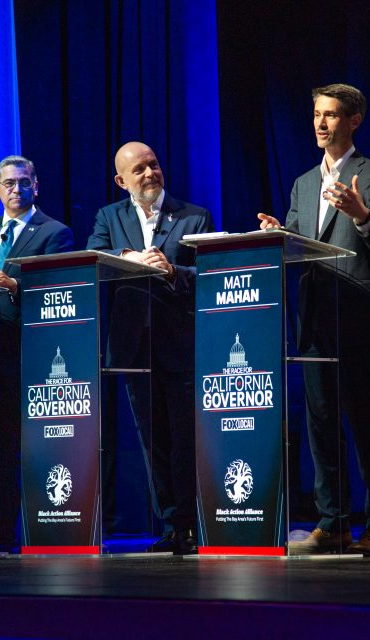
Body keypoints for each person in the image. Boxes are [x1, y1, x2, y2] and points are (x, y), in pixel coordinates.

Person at [258, 83, 370, 556]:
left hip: (355, 315)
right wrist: (279, 234)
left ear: (354, 120)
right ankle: (333, 523)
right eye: (317, 114)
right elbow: (302, 245)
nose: (321, 123)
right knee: (320, 422)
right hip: (314, 320)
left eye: (332, 115)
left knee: (365, 421)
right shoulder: (301, 182)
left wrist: (362, 216)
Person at [86, 141, 214, 554]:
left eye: (154, 165)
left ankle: (192, 524)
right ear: (121, 181)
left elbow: (210, 271)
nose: (149, 174)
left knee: (184, 436)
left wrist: (173, 269)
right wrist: (129, 257)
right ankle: (170, 523)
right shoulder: (109, 216)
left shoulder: (194, 215)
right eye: (139, 170)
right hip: (133, 344)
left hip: (180, 340)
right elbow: (94, 255)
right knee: (151, 438)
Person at [0, 155, 74, 551]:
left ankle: (46, 527)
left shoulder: (55, 233)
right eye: (8, 183)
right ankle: (2, 529)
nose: (16, 189)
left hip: (34, 356)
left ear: (35, 186)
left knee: (38, 443)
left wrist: (12, 284)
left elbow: (59, 291)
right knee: (0, 445)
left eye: (24, 182)